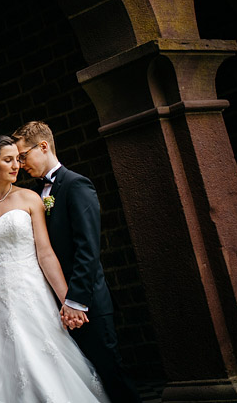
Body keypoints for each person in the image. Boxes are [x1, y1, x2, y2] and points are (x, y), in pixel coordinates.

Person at [0, 134, 109, 403]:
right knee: (0, 362)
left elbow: (46, 254)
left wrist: (68, 301)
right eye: (8, 160)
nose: (16, 165)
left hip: (30, 289)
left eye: (18, 159)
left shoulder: (30, 199)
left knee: (42, 358)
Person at [12, 121, 141, 403]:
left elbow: (88, 249)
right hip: (53, 305)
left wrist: (75, 301)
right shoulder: (33, 195)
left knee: (111, 374)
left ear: (43, 147)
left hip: (86, 303)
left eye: (23, 156)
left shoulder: (76, 184)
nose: (20, 165)